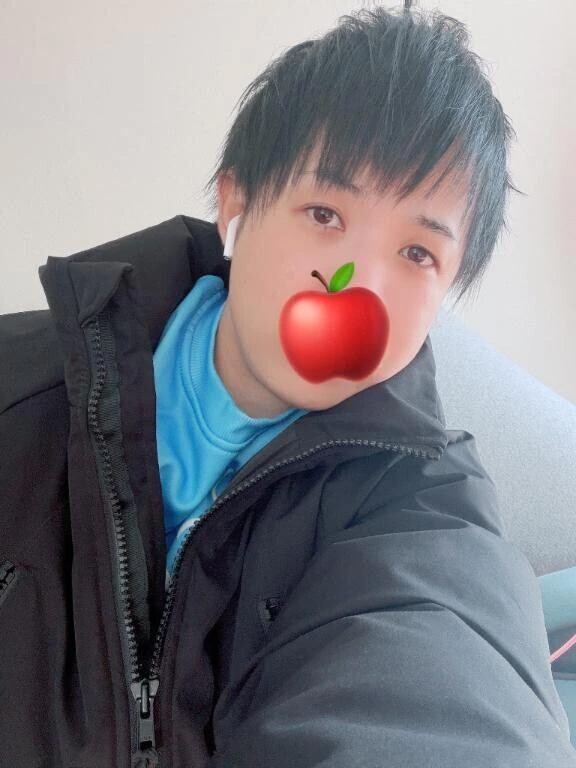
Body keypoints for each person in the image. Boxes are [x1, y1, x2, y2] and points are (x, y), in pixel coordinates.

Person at [1, 4, 573, 767]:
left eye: (417, 253)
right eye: (325, 213)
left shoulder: (430, 501)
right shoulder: (20, 382)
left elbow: (447, 687)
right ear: (236, 203)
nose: (358, 285)